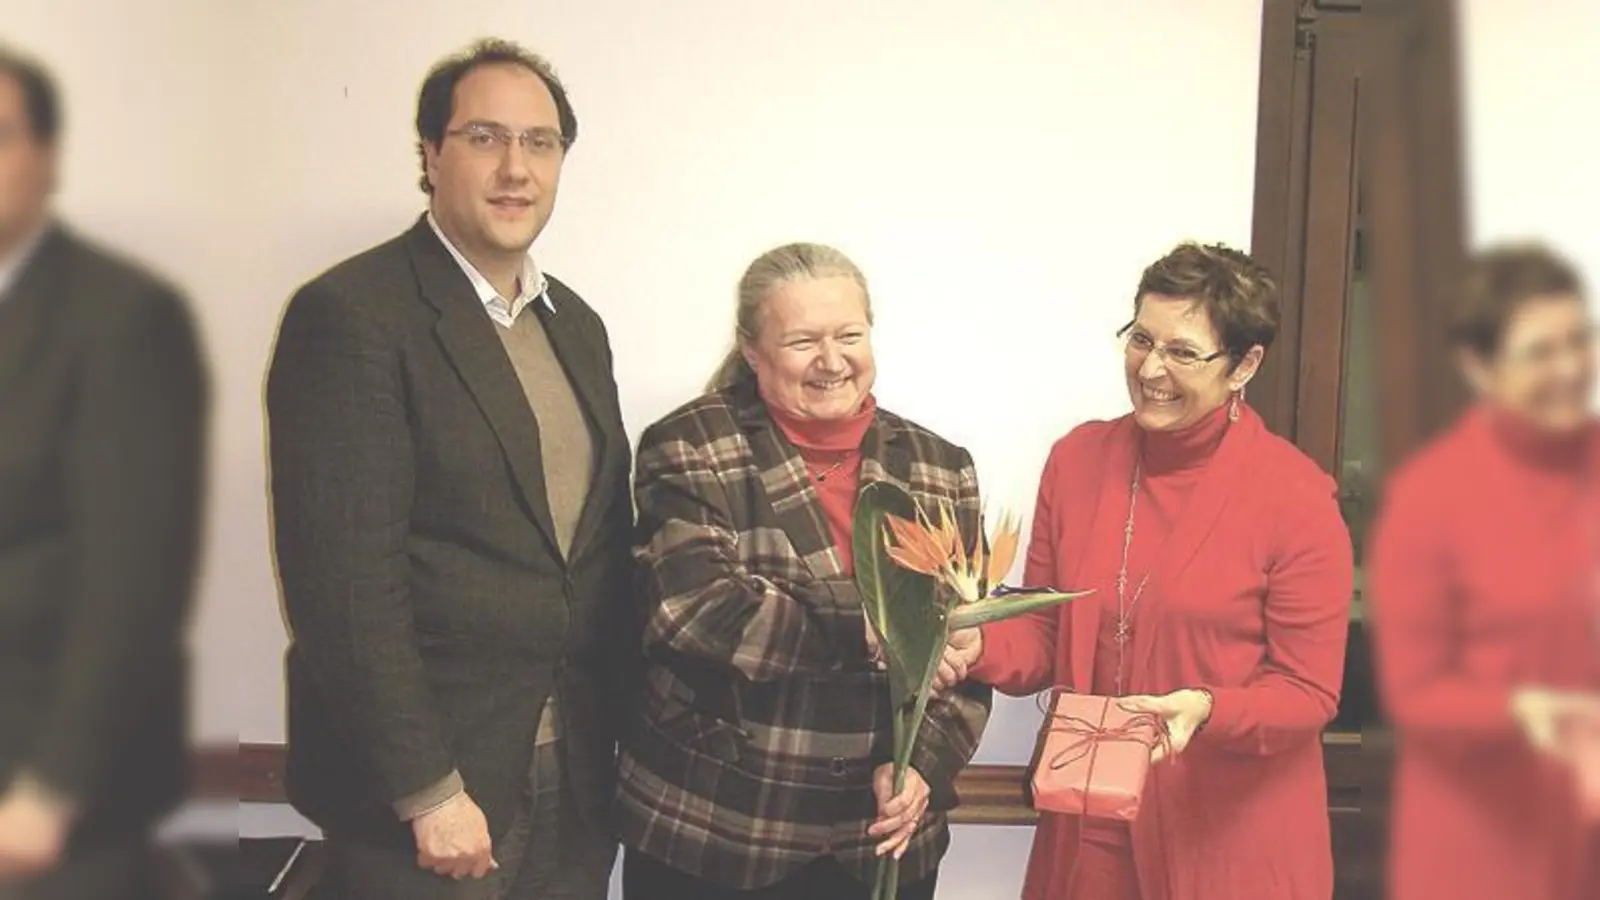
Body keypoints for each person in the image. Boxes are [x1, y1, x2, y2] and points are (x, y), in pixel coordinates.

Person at [267, 39, 636, 900]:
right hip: (431, 801)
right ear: (430, 155)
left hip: (575, 778)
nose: (516, 168)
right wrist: (427, 790)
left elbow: (596, 553)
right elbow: (345, 588)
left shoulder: (574, 324)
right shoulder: (354, 315)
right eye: (483, 137)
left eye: (540, 143)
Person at [960, 242, 1353, 899]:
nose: (1151, 369)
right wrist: (976, 642)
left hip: (1228, 839)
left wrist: (1208, 709)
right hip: (1089, 826)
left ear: (1244, 365)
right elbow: (1047, 638)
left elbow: (1308, 694)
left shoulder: (1296, 499)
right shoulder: (1078, 460)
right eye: (1141, 339)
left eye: (1183, 351)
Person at [614, 242, 992, 900]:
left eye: (850, 334)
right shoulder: (689, 444)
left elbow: (965, 648)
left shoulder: (941, 466)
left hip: (879, 846)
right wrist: (880, 630)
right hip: (719, 838)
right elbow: (696, 611)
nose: (832, 360)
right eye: (801, 341)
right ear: (752, 350)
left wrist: (925, 766)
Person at [0, 45, 208, 900]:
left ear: (46, 159)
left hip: (47, 799)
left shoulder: (122, 319)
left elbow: (129, 584)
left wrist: (51, 791)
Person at [1367, 243, 1600, 900]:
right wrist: (1520, 710)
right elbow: (1415, 691)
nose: (1570, 369)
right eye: (1539, 353)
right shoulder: (1430, 497)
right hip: (1482, 843)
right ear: (1479, 367)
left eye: (1578, 341)